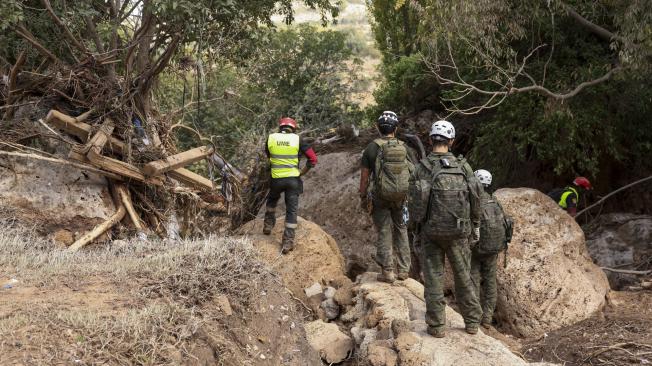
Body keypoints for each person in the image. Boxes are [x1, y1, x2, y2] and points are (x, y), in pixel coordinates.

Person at [409, 120, 483, 338]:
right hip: (459, 232)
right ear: (451, 141)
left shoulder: (421, 168)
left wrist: (415, 231)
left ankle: (437, 327)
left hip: (431, 232)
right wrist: (476, 226)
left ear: (431, 140)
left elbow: (413, 203)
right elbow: (476, 198)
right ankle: (471, 323)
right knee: (464, 277)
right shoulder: (464, 167)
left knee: (433, 279)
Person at [359, 111, 412, 283]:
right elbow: (413, 171)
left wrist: (362, 196)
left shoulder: (371, 148)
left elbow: (365, 177)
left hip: (380, 196)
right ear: (395, 129)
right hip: (401, 196)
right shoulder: (404, 147)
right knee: (401, 229)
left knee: (383, 230)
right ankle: (404, 271)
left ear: (377, 127)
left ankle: (387, 272)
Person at [263, 117, 318, 254]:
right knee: (291, 210)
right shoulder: (297, 139)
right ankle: (287, 242)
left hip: (276, 179)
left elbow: (269, 156)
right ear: (293, 128)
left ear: (280, 127)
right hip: (293, 180)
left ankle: (268, 225)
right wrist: (302, 172)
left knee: (272, 200)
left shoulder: (271, 138)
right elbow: (313, 158)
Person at [470, 169, 512, 329]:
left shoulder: (474, 201)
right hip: (494, 248)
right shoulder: (495, 201)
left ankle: (474, 315)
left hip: (476, 249)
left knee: (473, 279)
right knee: (490, 281)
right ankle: (487, 318)